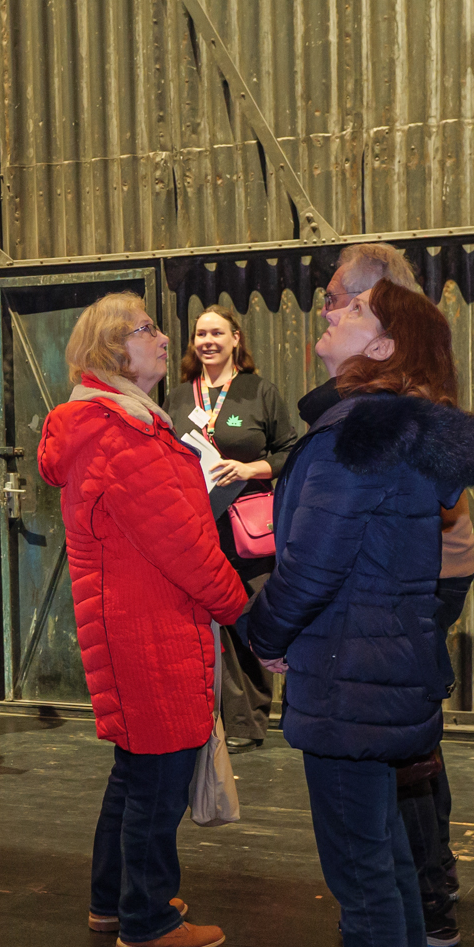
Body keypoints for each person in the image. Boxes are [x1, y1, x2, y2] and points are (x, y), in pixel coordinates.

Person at [241, 281, 474, 947]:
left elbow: (310, 564)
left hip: (349, 675)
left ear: (384, 350)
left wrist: (263, 634)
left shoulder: (358, 434)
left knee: (365, 879)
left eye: (354, 312)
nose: (331, 312)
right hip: (385, 670)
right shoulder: (395, 433)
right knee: (386, 864)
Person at [37, 293, 247, 947]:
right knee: (158, 778)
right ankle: (148, 919)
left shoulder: (123, 423)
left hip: (139, 623)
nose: (163, 338)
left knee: (135, 771)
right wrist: (248, 614)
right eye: (146, 329)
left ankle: (113, 899)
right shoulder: (119, 432)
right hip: (150, 627)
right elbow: (184, 546)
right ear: (111, 352)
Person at [295, 245, 474, 947]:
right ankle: (419, 900)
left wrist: (272, 632)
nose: (329, 305)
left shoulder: (396, 398)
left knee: (401, 749)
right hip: (418, 571)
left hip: (419, 575)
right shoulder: (397, 386)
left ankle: (422, 903)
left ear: (380, 322)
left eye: (343, 297)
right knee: (403, 744)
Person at [161, 306, 299, 748]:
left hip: (246, 528)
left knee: (249, 620)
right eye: (200, 334)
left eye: (216, 333)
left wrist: (248, 468)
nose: (207, 341)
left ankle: (248, 723)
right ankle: (210, 720)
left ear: (236, 338)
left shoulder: (259, 392)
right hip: (193, 526)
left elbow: (290, 451)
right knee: (203, 623)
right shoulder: (180, 397)